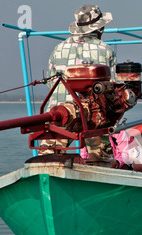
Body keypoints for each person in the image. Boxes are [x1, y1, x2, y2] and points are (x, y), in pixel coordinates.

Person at [40, 4, 117, 156]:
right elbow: (111, 87)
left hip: (60, 113)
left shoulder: (58, 48)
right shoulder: (105, 50)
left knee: (48, 157)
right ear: (99, 29)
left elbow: (51, 83)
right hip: (93, 116)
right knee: (101, 159)